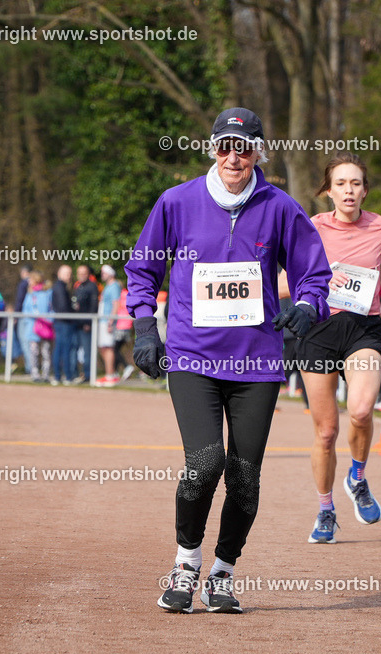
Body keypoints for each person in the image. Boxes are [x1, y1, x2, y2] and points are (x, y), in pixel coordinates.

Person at [127, 107, 331, 614]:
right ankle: (185, 561)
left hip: (256, 363)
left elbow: (315, 274)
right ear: (212, 149)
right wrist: (145, 327)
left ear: (259, 151)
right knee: (204, 463)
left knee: (244, 474)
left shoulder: (280, 207)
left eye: (244, 148)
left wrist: (307, 307)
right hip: (192, 356)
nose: (234, 157)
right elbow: (142, 270)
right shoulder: (177, 203)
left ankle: (223, 572)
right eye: (225, 146)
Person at [285, 152, 381, 544]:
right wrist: (318, 279)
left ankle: (357, 477)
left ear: (365, 190)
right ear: (328, 191)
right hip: (318, 330)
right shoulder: (312, 227)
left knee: (361, 411)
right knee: (325, 432)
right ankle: (325, 510)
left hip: (362, 331)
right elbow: (286, 279)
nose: (349, 190)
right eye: (341, 183)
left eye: (356, 183)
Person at [21, 270, 53, 382]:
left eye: (30, 279)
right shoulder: (29, 294)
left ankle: (46, 374)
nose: (28, 281)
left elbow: (52, 309)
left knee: (46, 352)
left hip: (45, 328)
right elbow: (25, 310)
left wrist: (48, 319)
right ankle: (34, 374)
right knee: (33, 352)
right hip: (32, 328)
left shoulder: (47, 293)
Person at [94, 265, 122, 386]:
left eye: (104, 273)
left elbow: (116, 304)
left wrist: (111, 321)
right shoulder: (108, 286)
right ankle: (110, 373)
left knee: (108, 347)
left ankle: (110, 375)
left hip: (107, 321)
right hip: (103, 320)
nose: (102, 275)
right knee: (103, 347)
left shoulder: (114, 286)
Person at [50, 264, 77, 385]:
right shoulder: (59, 287)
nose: (69, 277)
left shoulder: (60, 287)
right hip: (63, 323)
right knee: (63, 349)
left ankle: (60, 375)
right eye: (67, 274)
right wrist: (74, 311)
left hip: (62, 322)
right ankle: (65, 376)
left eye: (70, 274)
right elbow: (63, 307)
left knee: (61, 349)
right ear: (59, 274)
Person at [73, 264, 98, 383]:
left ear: (88, 274)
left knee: (87, 352)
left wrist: (88, 322)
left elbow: (94, 306)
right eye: (79, 273)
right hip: (77, 324)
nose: (81, 275)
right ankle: (78, 374)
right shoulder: (78, 287)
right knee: (77, 351)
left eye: (84, 273)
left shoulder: (92, 286)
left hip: (86, 325)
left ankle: (88, 375)